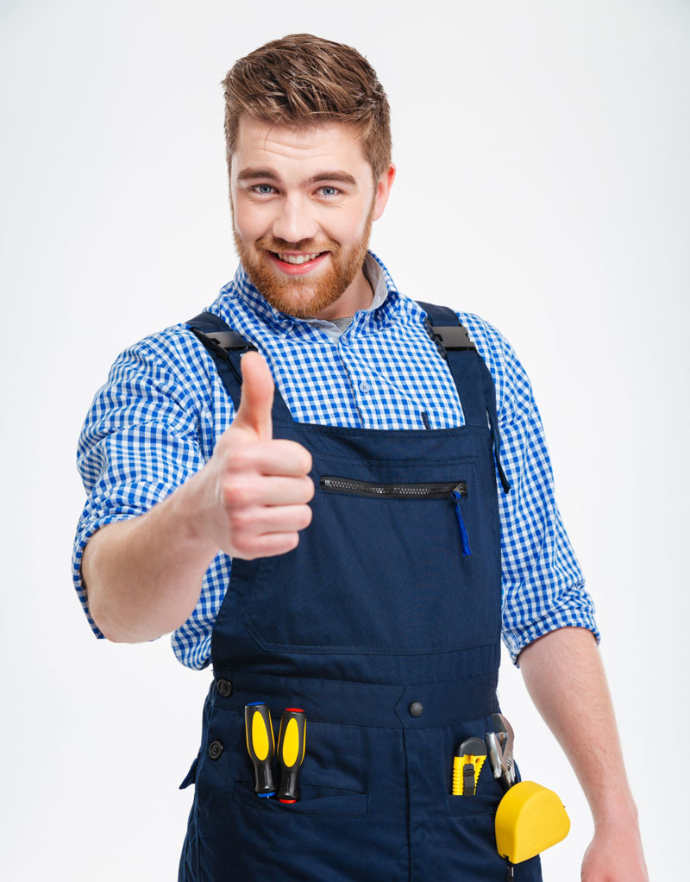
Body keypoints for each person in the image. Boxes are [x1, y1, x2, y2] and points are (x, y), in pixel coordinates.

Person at [72, 33, 648, 881]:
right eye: (262, 187)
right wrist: (195, 521)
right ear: (229, 182)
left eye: (327, 189)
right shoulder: (174, 372)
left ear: (380, 190)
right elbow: (113, 599)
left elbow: (544, 596)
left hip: (475, 839)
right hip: (276, 843)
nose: (292, 226)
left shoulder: (475, 361)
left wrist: (616, 817)